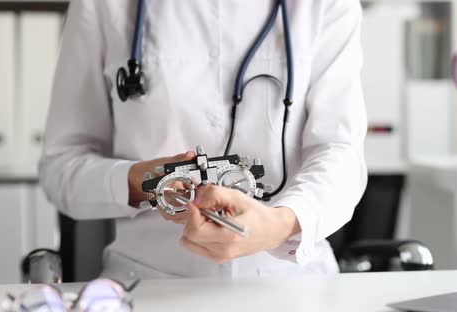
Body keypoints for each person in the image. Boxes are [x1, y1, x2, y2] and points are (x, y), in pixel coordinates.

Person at [40, 0, 367, 280]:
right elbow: (62, 164)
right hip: (149, 284)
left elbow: (340, 151)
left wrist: (279, 223)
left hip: (294, 284)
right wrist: (145, 184)